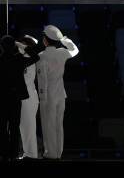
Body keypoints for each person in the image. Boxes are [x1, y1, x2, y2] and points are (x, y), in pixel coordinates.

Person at [0, 35, 40, 161]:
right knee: (14, 127)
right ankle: (13, 154)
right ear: (13, 46)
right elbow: (36, 56)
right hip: (15, 99)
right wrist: (20, 45)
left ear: (1, 47)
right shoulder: (18, 59)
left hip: (1, 100)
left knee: (2, 129)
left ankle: (3, 154)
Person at [37, 25, 79, 160]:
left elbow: (41, 78)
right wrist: (64, 39)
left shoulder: (41, 56)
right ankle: (58, 153)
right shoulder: (62, 52)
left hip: (47, 95)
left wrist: (41, 97)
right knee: (58, 125)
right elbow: (75, 50)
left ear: (45, 40)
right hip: (61, 94)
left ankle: (51, 154)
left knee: (48, 125)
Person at [18, 35, 39, 159]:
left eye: (22, 44)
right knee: (25, 127)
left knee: (29, 126)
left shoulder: (29, 59)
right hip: (26, 96)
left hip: (28, 97)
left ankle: (31, 154)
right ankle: (28, 153)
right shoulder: (24, 58)